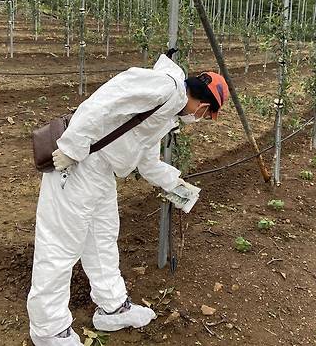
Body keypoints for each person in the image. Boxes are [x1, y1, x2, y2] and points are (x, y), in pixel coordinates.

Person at [27, 53, 230, 346]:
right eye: (206, 115)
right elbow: (105, 100)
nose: (199, 119)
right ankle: (49, 330)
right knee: (60, 246)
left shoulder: (167, 112)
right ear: (204, 105)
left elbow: (147, 160)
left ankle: (112, 307)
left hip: (101, 171)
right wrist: (72, 147)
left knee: (102, 238)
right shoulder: (164, 87)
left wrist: (177, 185)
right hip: (79, 164)